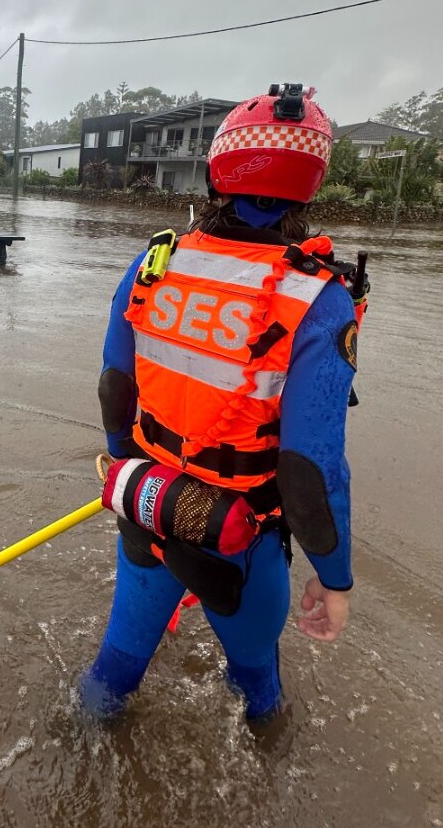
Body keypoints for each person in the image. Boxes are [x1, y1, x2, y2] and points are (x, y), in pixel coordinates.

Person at [81, 83, 365, 725]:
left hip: (147, 508)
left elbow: (114, 390)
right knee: (259, 690)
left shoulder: (156, 262)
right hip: (240, 536)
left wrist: (129, 476)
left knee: (114, 671)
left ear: (216, 173)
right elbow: (310, 466)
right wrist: (334, 576)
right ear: (311, 184)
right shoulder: (321, 299)